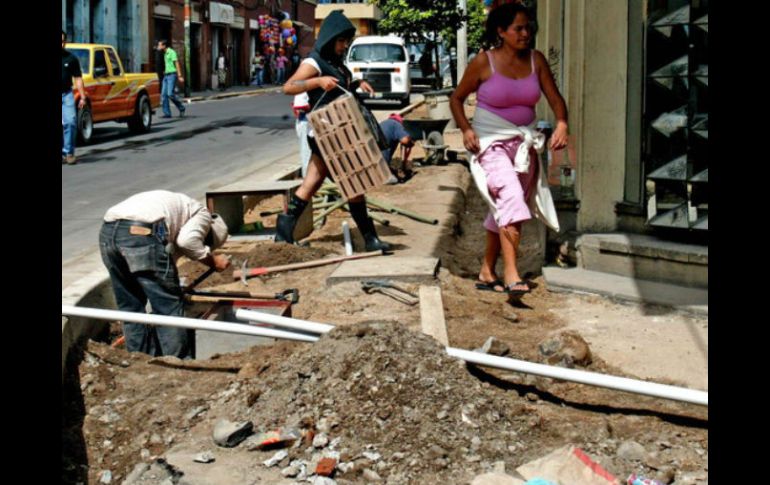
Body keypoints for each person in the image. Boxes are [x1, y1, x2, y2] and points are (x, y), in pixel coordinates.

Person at [449, 3, 567, 299]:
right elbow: (457, 99)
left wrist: (563, 123)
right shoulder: (483, 62)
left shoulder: (536, 61)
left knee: (505, 207)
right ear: (501, 31)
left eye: (529, 27)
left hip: (524, 146)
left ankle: (487, 269)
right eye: (518, 28)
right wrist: (466, 129)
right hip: (491, 145)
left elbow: (555, 99)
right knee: (512, 199)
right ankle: (512, 275)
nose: (526, 33)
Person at [280, 10, 390, 252]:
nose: (343, 46)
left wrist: (358, 83)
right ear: (330, 39)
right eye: (341, 41)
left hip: (338, 132)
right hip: (328, 134)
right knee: (354, 182)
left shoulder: (334, 62)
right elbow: (289, 87)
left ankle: (283, 230)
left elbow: (341, 86)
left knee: (312, 182)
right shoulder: (313, 62)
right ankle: (370, 238)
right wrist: (317, 82)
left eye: (346, 42)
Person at [99, 191, 231, 359]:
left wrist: (170, 283)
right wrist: (213, 261)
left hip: (108, 233)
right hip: (141, 232)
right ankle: (176, 362)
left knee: (130, 307)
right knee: (168, 307)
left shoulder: (178, 210)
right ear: (207, 234)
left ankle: (139, 360)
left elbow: (166, 260)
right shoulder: (202, 214)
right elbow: (187, 242)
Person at [62, 30, 87, 165]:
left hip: (67, 95)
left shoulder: (71, 59)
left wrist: (82, 96)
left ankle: (69, 153)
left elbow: (78, 78)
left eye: (62, 41)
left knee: (70, 122)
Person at [379, 114, 414, 183]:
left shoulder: (384, 123)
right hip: (382, 162)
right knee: (394, 179)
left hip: (374, 156)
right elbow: (405, 140)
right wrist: (410, 142)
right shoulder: (396, 124)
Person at [158, 39, 186, 118]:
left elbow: (176, 63)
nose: (158, 47)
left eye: (160, 45)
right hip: (166, 76)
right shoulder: (164, 53)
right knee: (163, 95)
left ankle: (181, 108)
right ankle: (167, 113)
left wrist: (179, 75)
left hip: (172, 75)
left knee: (170, 94)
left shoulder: (172, 52)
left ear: (164, 46)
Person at [292, 92, 312, 176]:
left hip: (308, 119)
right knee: (308, 155)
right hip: (308, 121)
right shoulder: (304, 81)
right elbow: (300, 105)